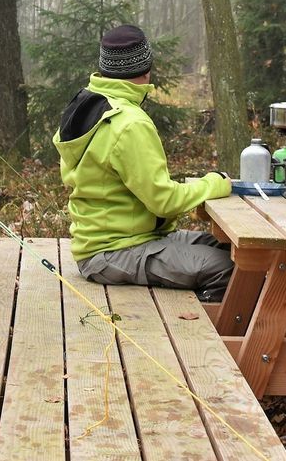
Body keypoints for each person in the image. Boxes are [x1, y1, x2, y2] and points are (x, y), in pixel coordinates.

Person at [52, 24, 234, 301]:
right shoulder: (130, 123)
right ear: (146, 69)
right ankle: (196, 323)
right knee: (229, 268)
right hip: (115, 251)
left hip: (121, 240)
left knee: (230, 249)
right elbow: (164, 201)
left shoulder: (86, 105)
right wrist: (215, 183)